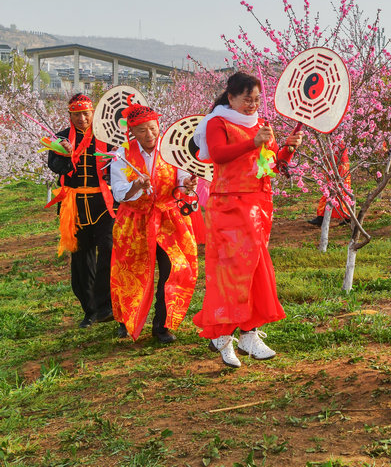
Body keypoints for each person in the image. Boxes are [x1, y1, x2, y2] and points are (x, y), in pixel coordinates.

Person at [192, 72, 301, 367]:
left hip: (257, 204)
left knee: (254, 268)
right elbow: (218, 154)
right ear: (231, 97)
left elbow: (271, 165)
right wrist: (253, 142)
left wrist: (288, 148)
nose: (252, 105)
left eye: (256, 99)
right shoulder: (217, 122)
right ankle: (223, 335)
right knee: (229, 270)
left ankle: (249, 332)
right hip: (228, 205)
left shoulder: (261, 126)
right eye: (246, 99)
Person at [110, 103, 198, 343]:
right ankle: (125, 320)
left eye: (152, 128)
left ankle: (162, 326)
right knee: (130, 272)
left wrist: (187, 184)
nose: (149, 135)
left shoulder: (171, 149)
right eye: (142, 131)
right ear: (132, 132)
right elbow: (119, 192)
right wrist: (135, 186)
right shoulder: (121, 155)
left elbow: (180, 177)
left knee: (173, 269)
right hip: (135, 221)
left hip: (169, 219)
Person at [46, 94, 116, 328]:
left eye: (86, 113)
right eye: (77, 114)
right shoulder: (62, 137)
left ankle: (106, 305)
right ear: (70, 115)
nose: (82, 118)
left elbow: (118, 164)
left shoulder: (105, 136)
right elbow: (54, 166)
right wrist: (65, 155)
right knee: (82, 259)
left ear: (93, 112)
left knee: (108, 250)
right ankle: (90, 310)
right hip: (74, 205)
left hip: (103, 203)